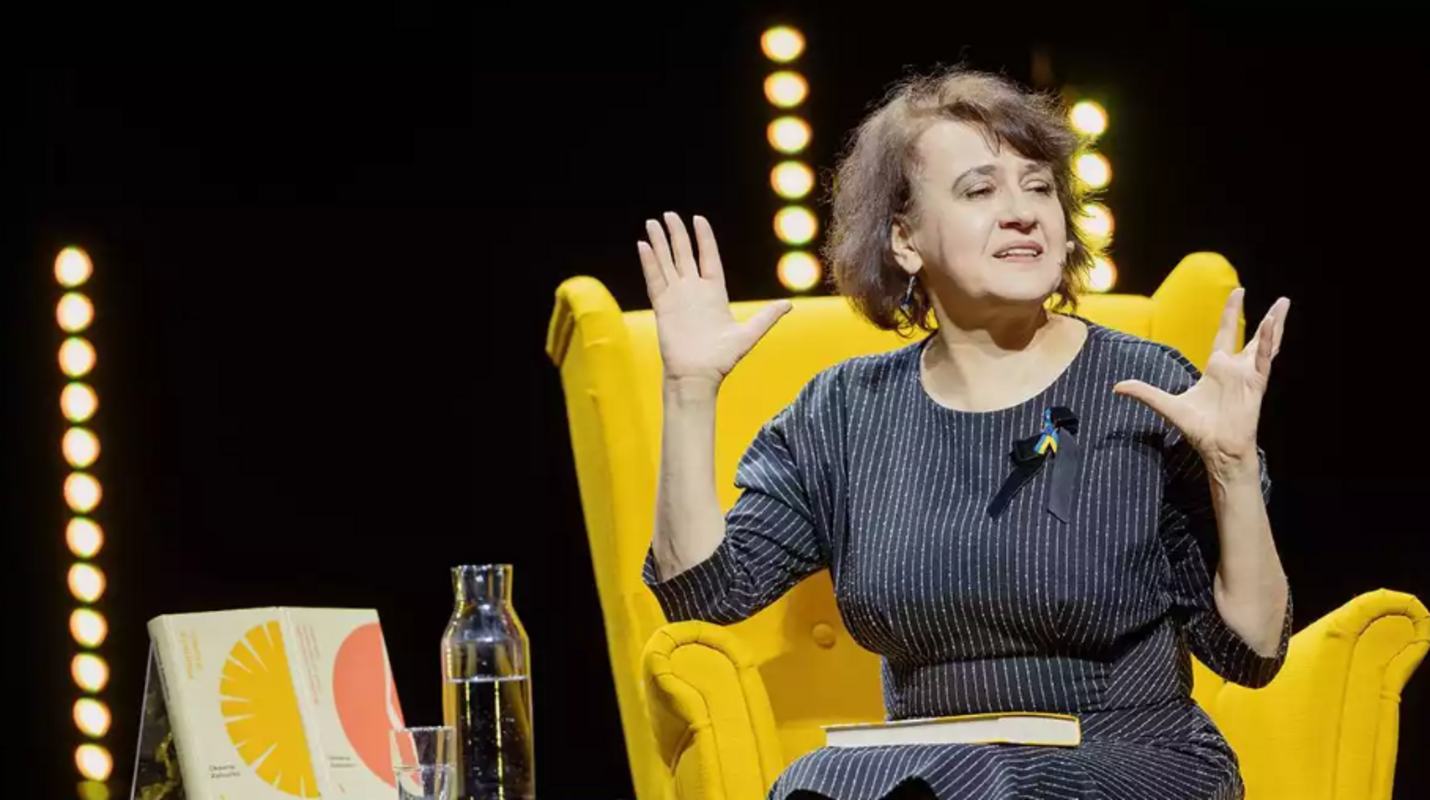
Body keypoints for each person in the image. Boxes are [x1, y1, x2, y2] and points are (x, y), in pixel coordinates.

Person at [633, 66, 1291, 800]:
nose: (1022, 213)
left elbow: (1253, 652)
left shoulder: (1144, 387)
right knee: (814, 784)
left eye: (1038, 188)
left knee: (983, 777)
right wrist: (688, 390)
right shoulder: (845, 412)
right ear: (905, 239)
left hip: (1137, 758)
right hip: (936, 767)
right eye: (980, 191)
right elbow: (703, 592)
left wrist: (1232, 466)